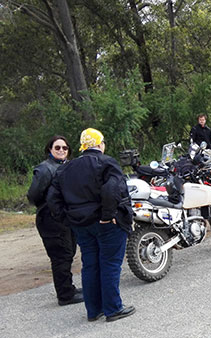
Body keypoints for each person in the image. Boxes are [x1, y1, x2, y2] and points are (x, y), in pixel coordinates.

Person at [47, 128, 135, 322]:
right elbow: (113, 188)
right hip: (107, 223)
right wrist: (108, 214)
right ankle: (113, 308)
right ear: (100, 144)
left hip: (81, 225)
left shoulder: (65, 168)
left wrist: (68, 219)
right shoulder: (106, 162)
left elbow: (52, 199)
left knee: (90, 265)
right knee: (110, 264)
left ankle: (93, 310)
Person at [26, 135, 83, 306]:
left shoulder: (66, 166)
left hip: (65, 218)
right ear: (50, 149)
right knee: (61, 256)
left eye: (64, 148)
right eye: (57, 147)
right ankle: (65, 295)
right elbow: (33, 195)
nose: (61, 151)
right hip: (50, 219)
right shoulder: (44, 169)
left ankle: (68, 287)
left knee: (68, 252)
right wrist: (49, 207)